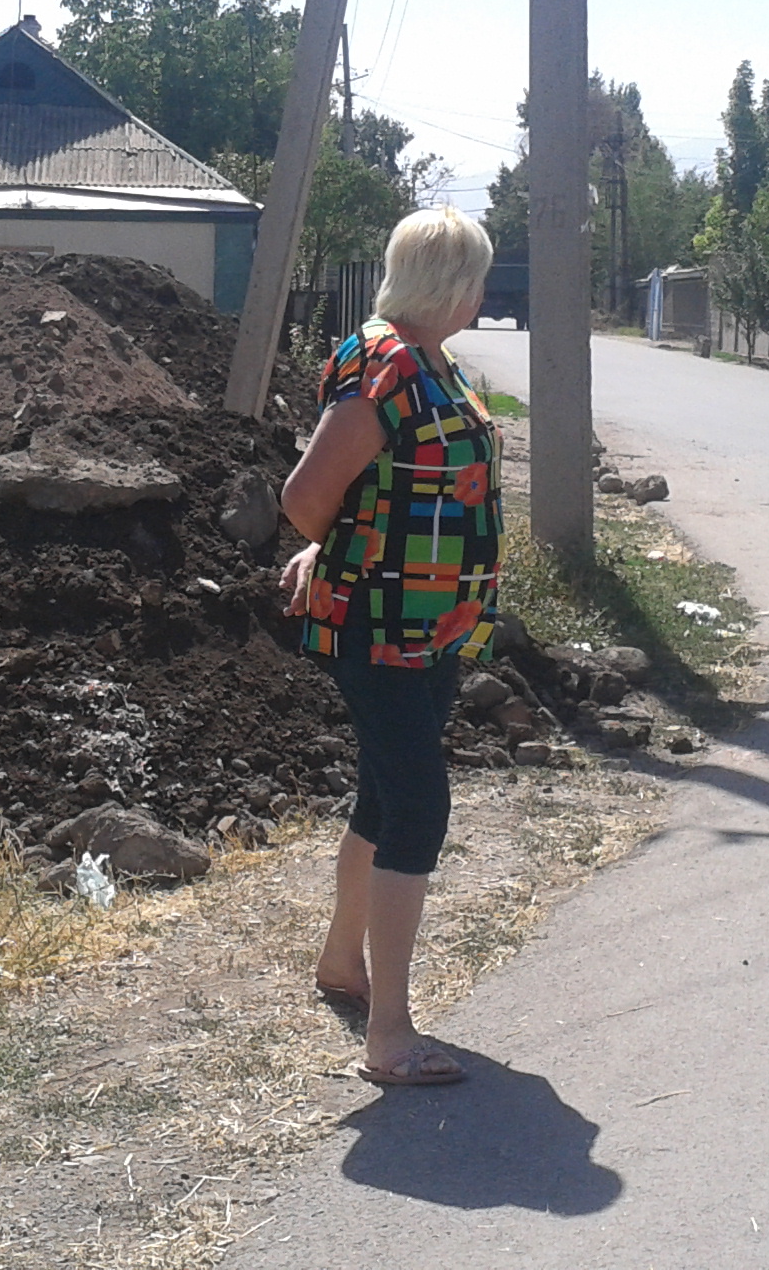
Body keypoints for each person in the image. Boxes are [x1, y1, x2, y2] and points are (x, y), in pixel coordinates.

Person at [279, 204, 501, 1087]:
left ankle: (343, 962)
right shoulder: (389, 364)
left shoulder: (431, 360)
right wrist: (326, 546)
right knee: (418, 808)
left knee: (383, 796)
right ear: (454, 282)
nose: (482, 293)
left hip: (428, 625)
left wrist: (332, 541)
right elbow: (307, 495)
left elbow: (375, 489)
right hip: (380, 623)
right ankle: (390, 1035)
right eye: (477, 277)